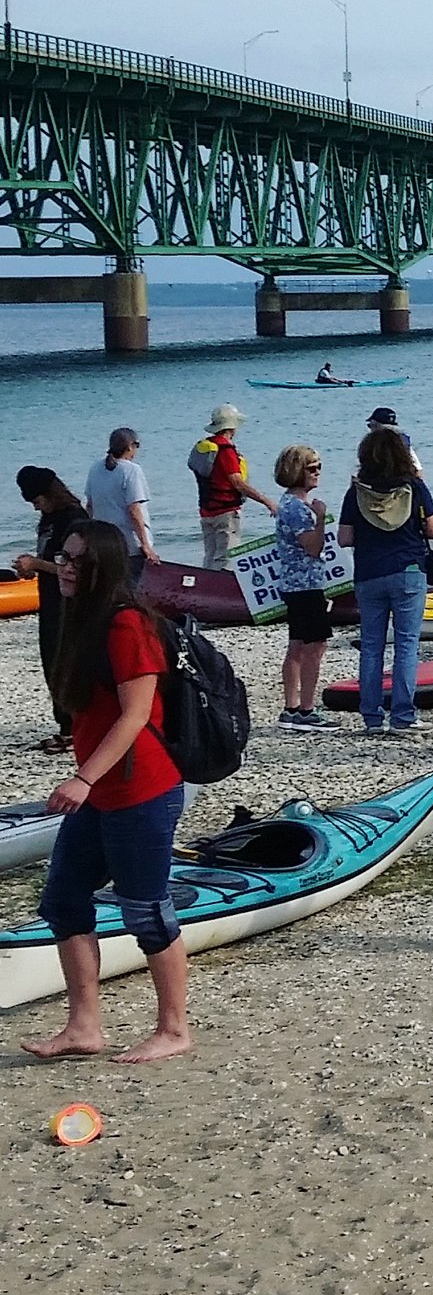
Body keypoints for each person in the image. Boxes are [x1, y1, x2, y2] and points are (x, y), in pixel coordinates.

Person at [22, 518, 191, 1063]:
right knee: (64, 902)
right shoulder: (85, 619)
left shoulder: (127, 626)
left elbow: (137, 715)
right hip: (102, 794)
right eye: (61, 557)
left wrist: (83, 776)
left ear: (102, 567)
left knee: (145, 910)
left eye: (74, 560)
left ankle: (173, 1029)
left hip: (142, 788)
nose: (63, 567)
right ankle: (84, 1027)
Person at [338, 423, 433, 736]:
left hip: (369, 573)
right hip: (408, 571)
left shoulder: (356, 491)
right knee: (406, 644)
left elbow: (345, 538)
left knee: (371, 646)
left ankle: (371, 717)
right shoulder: (414, 487)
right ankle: (403, 715)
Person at [15, 467, 90, 753]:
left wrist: (37, 565)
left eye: (37, 500)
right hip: (50, 596)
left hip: (70, 602)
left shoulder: (74, 519)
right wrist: (31, 569)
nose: (35, 506)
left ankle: (75, 727)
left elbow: (77, 568)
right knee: (52, 659)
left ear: (50, 494)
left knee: (66, 660)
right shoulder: (49, 520)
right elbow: (52, 560)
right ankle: (66, 724)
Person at [272, 443, 339, 731]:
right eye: (312, 468)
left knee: (298, 644)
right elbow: (312, 547)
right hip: (305, 584)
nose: (317, 473)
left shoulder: (288, 504)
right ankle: (307, 708)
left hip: (294, 583)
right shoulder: (298, 508)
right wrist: (322, 517)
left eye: (319, 467)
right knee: (315, 645)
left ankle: (292, 706)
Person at [190, 404, 276, 569]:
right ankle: (220, 592)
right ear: (232, 427)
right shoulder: (225, 450)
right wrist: (267, 501)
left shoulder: (206, 447)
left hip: (207, 511)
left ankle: (203, 590)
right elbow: (237, 482)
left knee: (210, 557)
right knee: (225, 560)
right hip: (225, 513)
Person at [85, 428, 156, 579]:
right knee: (135, 590)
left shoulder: (95, 468)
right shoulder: (131, 470)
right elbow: (134, 510)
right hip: (130, 545)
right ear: (130, 446)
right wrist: (145, 544)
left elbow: (90, 507)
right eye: (136, 445)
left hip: (105, 543)